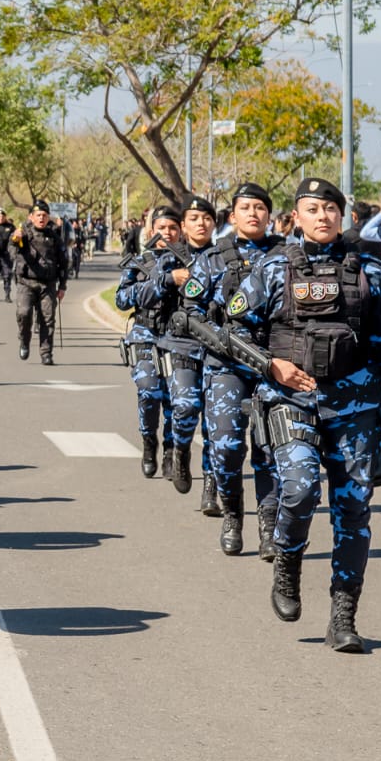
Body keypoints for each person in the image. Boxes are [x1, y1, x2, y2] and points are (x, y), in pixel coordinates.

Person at [227, 177, 381, 653]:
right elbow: (233, 331)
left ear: (341, 216)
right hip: (291, 400)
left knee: (354, 510)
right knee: (300, 486)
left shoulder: (370, 271)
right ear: (296, 217)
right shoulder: (271, 268)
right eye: (312, 208)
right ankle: (287, 562)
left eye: (330, 208)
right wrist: (271, 365)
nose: (323, 215)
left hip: (357, 407)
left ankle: (343, 617)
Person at [184, 183, 281, 557]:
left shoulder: (284, 256)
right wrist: (218, 339)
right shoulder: (212, 258)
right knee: (224, 448)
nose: (253, 213)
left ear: (269, 215)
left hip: (273, 364)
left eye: (260, 207)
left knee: (270, 451)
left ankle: (269, 529)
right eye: (246, 207)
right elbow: (188, 312)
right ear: (233, 216)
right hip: (226, 365)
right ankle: (233, 515)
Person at [139, 196, 216, 497]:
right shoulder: (164, 259)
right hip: (179, 344)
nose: (200, 223)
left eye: (206, 218)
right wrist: (169, 279)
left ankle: (212, 484)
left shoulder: (225, 256)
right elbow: (137, 295)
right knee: (181, 406)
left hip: (219, 349)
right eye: (193, 218)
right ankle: (176, 449)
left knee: (217, 423)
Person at [116, 206, 181, 478]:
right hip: (145, 333)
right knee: (148, 391)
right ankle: (148, 442)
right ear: (152, 230)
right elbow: (122, 299)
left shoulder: (190, 262)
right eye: (162, 228)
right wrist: (160, 283)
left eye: (172, 228)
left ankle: (169, 449)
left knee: (175, 399)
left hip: (178, 337)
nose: (167, 233)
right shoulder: (139, 262)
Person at [11, 201, 69, 365]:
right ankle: (24, 340)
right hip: (26, 283)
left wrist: (62, 286)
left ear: (48, 217)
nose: (41, 218)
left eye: (44, 215)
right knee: (24, 313)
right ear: (31, 217)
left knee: (47, 319)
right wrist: (16, 240)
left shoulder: (54, 237)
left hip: (48, 284)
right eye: (38, 215)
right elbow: (11, 249)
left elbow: (64, 262)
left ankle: (46, 353)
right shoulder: (22, 233)